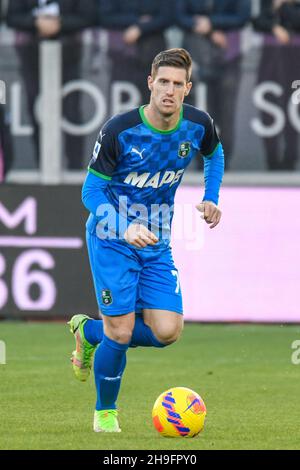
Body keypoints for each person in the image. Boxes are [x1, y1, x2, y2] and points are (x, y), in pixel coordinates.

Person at [69, 48, 224, 433]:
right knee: (120, 332)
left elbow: (215, 154)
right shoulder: (120, 130)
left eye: (178, 84)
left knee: (168, 331)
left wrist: (211, 196)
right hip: (112, 239)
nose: (169, 91)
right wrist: (124, 227)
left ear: (188, 88)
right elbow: (91, 192)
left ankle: (89, 331)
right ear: (150, 83)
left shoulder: (197, 125)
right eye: (163, 82)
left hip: (156, 241)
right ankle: (105, 413)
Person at [6, 0, 95, 169]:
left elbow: (89, 15)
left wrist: (59, 23)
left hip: (69, 57)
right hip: (32, 57)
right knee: (37, 112)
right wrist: (35, 23)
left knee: (72, 113)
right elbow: (11, 17)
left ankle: (76, 169)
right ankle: (43, 167)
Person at [175, 0, 250, 168]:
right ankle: (199, 161)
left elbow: (243, 16)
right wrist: (201, 26)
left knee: (226, 111)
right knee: (196, 111)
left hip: (228, 56)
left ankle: (223, 161)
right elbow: (177, 15)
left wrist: (211, 24)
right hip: (195, 56)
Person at [253, 0, 300, 170]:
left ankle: (290, 158)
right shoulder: (267, 4)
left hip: (295, 64)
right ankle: (271, 159)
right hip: (270, 64)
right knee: (268, 111)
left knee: (293, 111)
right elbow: (257, 22)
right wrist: (275, 13)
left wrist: (285, 6)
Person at [97, 0, 172, 106]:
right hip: (121, 52)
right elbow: (104, 17)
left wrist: (141, 28)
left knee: (152, 94)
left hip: (152, 51)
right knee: (121, 96)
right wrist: (137, 21)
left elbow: (167, 17)